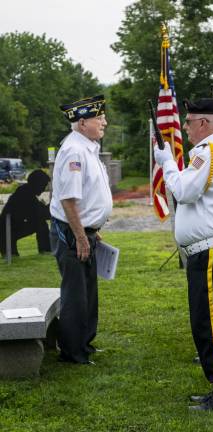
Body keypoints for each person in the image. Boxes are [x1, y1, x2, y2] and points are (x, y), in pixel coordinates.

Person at [154, 98, 213, 411]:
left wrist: (166, 162)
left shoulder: (210, 153)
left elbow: (183, 191)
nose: (185, 127)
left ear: (204, 123)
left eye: (189, 121)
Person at [50, 94, 113, 365]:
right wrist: (79, 235)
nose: (105, 122)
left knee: (88, 290)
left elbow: (86, 195)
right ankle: (72, 352)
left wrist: (92, 228)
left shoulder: (87, 146)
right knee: (76, 293)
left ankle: (84, 344)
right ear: (83, 121)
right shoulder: (74, 151)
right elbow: (68, 199)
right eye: (100, 118)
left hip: (84, 230)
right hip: (71, 232)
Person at [0, 169, 51, 257]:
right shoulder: (26, 194)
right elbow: (42, 214)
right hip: (6, 233)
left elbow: (40, 212)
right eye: (43, 185)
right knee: (41, 224)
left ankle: (46, 250)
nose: (43, 189)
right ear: (37, 184)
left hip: (10, 229)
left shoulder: (25, 191)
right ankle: (46, 250)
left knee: (41, 223)